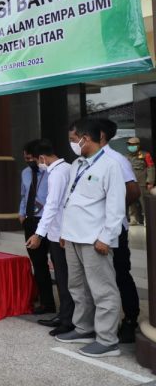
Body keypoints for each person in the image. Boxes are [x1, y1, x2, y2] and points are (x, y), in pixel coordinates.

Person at [55, 118, 125, 358]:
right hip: (73, 236)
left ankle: (108, 340)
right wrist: (64, 232)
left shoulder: (110, 165)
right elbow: (70, 199)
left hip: (94, 238)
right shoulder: (77, 164)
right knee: (77, 287)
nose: (73, 144)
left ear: (87, 138)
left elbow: (116, 206)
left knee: (103, 290)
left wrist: (106, 236)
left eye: (75, 140)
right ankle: (84, 328)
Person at [93, 118, 141, 344]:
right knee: (102, 277)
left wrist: (114, 211)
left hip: (114, 229)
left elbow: (133, 191)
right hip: (93, 229)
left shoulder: (116, 159)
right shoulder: (90, 160)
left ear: (100, 134)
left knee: (121, 273)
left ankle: (131, 320)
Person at [25, 139, 74, 336]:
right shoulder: (66, 169)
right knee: (64, 278)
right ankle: (64, 315)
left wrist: (38, 234)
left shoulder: (57, 173)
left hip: (59, 233)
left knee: (64, 278)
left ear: (43, 158)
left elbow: (52, 205)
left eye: (37, 161)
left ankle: (67, 320)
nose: (38, 165)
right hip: (60, 231)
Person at [19, 139, 55, 315]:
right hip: (31, 220)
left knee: (57, 262)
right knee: (39, 264)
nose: (28, 162)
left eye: (30, 158)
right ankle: (47, 302)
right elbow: (24, 195)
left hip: (50, 221)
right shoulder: (25, 173)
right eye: (25, 158)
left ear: (39, 157)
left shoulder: (52, 172)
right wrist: (21, 214)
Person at [126, 136, 153, 225]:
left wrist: (150, 181)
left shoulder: (145, 155)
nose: (131, 146)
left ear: (138, 145)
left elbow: (150, 168)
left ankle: (146, 219)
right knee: (131, 201)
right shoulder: (125, 157)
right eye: (129, 144)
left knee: (144, 202)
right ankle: (133, 218)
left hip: (142, 183)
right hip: (130, 183)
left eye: (133, 145)